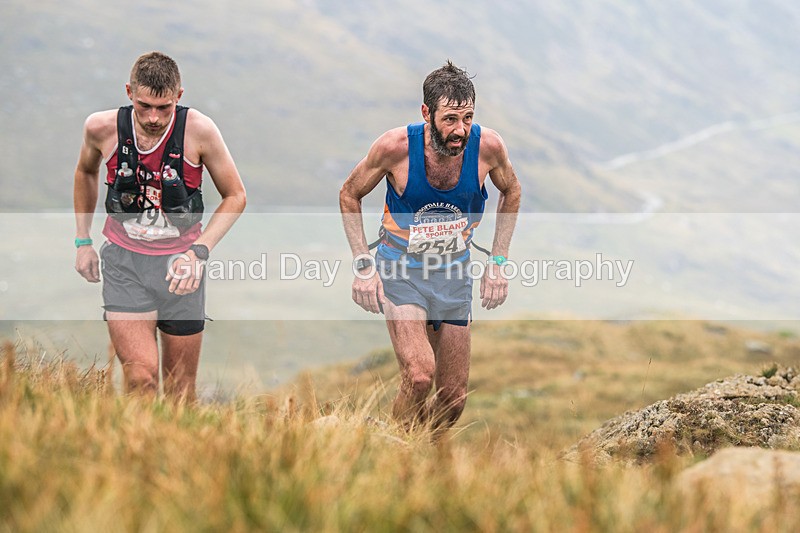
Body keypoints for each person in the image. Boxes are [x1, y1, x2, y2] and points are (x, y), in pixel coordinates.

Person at [339, 61, 521, 437]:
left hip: (453, 274)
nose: (460, 130)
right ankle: (393, 451)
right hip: (399, 271)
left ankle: (422, 452)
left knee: (453, 398)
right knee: (420, 375)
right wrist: (362, 265)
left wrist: (498, 262)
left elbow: (512, 190)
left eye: (468, 117)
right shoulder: (396, 148)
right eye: (450, 118)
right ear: (426, 113)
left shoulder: (487, 147)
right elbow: (349, 194)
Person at [73, 51, 246, 401]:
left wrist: (199, 252)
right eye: (144, 106)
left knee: (181, 393)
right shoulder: (101, 128)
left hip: (181, 269)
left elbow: (236, 196)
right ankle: (137, 453)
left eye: (164, 108)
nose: (154, 117)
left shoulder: (199, 130)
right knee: (140, 379)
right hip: (124, 264)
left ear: (179, 96)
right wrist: (82, 241)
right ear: (129, 92)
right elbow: (85, 171)